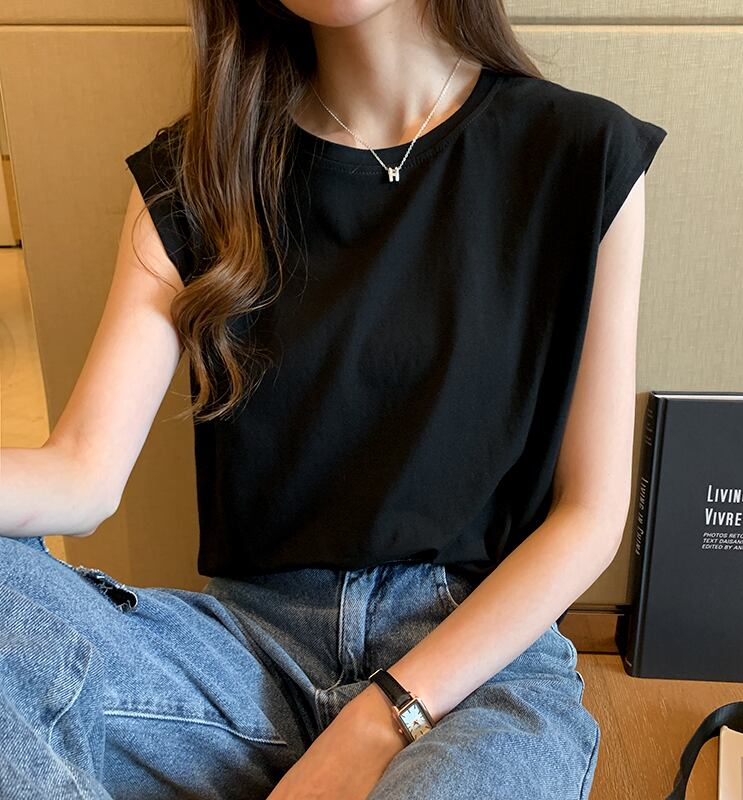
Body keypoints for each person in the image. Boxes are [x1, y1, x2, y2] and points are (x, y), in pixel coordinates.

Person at [0, 1, 668, 798]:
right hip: (244, 656)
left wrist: (383, 717)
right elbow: (82, 473)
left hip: (478, 662)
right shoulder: (199, 173)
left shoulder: (580, 151)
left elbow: (590, 516)